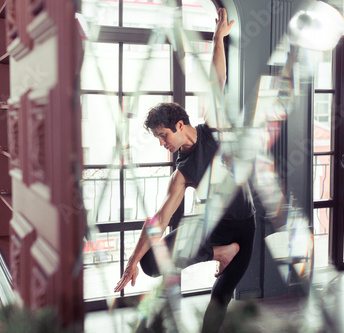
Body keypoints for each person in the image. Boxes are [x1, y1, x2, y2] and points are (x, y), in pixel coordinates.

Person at [114, 8, 256, 333]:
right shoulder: (182, 171)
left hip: (245, 232)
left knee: (217, 307)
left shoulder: (213, 131)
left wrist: (219, 39)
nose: (162, 143)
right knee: (151, 263)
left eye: (163, 136)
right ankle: (221, 252)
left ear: (180, 125)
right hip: (213, 233)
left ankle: (228, 253)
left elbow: (217, 80)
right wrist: (132, 261)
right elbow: (159, 220)